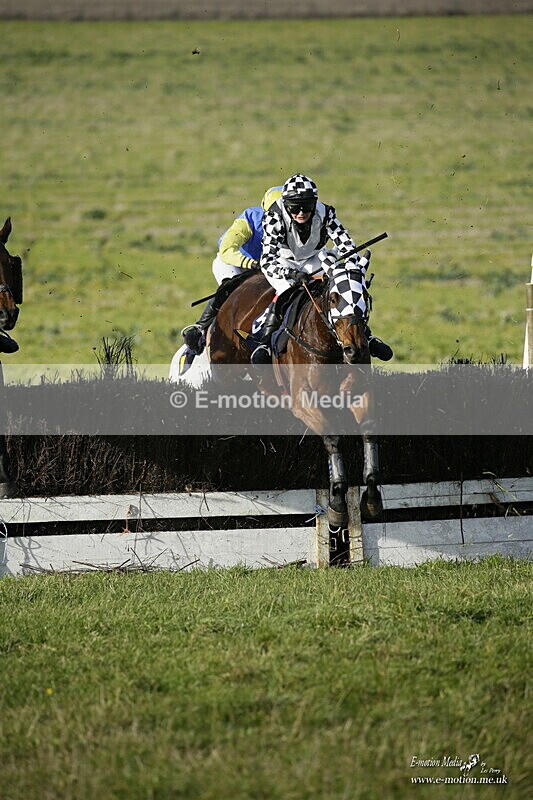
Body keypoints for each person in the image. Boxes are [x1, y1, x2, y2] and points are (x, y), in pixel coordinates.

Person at [250, 173, 393, 364]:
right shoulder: (274, 216)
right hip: (282, 262)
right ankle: (265, 344)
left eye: (307, 206)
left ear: (315, 203)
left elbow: (346, 244)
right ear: (286, 204)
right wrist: (291, 273)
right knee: (287, 292)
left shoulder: (326, 212)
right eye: (295, 207)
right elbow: (267, 259)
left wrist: (353, 267)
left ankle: (366, 336)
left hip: (315, 258)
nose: (301, 212)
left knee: (342, 288)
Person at [181, 186, 282, 358]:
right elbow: (227, 249)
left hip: (268, 271)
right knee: (232, 288)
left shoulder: (300, 224)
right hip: (235, 264)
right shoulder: (251, 219)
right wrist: (251, 263)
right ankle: (199, 330)